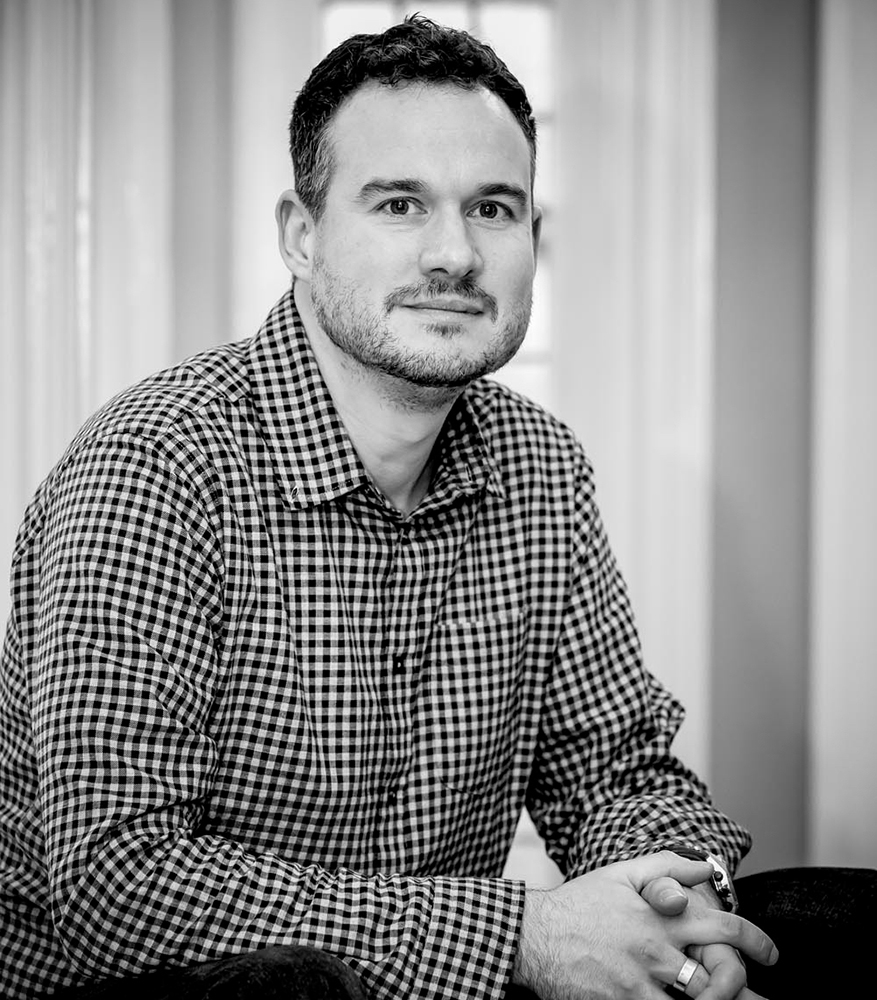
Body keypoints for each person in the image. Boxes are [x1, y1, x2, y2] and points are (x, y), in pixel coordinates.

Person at [1, 15, 872, 1000]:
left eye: (493, 208)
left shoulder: (540, 467)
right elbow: (118, 886)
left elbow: (619, 775)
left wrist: (681, 913)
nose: (454, 254)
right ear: (300, 235)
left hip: (437, 984)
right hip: (156, 994)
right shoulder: (156, 466)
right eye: (400, 203)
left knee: (837, 917)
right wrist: (524, 936)